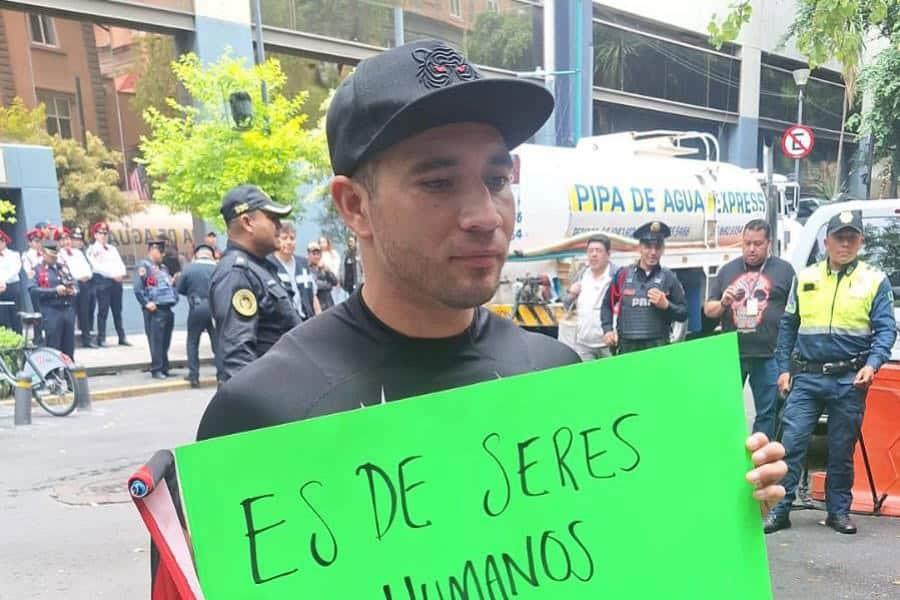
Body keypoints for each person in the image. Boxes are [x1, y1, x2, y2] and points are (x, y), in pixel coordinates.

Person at [195, 43, 785, 517]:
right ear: (354, 206)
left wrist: (713, 507)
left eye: (497, 179)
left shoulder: (557, 380)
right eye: (437, 183)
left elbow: (613, 556)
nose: (484, 215)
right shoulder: (260, 415)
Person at [765, 210, 896, 535]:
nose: (845, 243)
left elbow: (886, 330)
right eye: (840, 237)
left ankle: (838, 512)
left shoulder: (874, 280)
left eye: (852, 237)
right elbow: (788, 327)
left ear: (861, 242)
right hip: (806, 377)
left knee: (840, 449)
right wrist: (784, 369)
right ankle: (779, 509)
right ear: (827, 242)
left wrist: (872, 364)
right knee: (791, 444)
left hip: (849, 379)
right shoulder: (806, 277)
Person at [704, 220, 796, 440]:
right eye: (746, 244)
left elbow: (795, 312)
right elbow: (709, 310)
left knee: (767, 413)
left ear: (769, 244)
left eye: (757, 243)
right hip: (733, 354)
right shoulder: (728, 270)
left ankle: (759, 463)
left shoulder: (784, 271)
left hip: (769, 355)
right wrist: (724, 303)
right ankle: (727, 455)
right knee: (725, 409)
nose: (751, 249)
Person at [208, 184, 301, 382]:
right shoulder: (236, 273)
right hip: (269, 400)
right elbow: (237, 360)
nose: (279, 226)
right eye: (272, 218)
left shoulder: (260, 267)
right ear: (247, 222)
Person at [601, 221, 687, 354]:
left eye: (657, 247)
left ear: (663, 249)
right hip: (627, 346)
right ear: (639, 248)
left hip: (657, 347)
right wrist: (607, 330)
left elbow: (683, 313)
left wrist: (666, 305)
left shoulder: (669, 277)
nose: (653, 252)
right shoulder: (623, 275)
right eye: (648, 246)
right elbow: (607, 304)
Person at [563, 234, 616, 361]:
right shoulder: (582, 275)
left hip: (608, 344)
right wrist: (572, 294)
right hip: (583, 344)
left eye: (598, 251)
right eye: (590, 251)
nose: (594, 255)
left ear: (608, 254)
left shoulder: (616, 276)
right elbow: (566, 306)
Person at [134, 240, 179, 380]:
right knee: (156, 341)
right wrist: (146, 303)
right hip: (155, 310)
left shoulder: (163, 268)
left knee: (165, 341)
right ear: (153, 250)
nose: (163, 255)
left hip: (167, 307)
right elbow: (138, 288)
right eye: (161, 252)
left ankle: (164, 367)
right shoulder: (144, 266)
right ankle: (156, 369)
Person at [176, 244, 218, 387]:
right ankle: (221, 374)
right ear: (211, 255)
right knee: (217, 343)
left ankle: (194, 376)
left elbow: (180, 289)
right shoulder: (218, 268)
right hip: (215, 309)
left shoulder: (189, 268)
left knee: (192, 342)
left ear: (196, 255)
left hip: (196, 307)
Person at [27, 240, 77, 358]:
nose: (54, 258)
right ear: (43, 253)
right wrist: (54, 291)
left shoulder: (62, 268)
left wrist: (73, 290)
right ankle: (53, 374)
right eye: (51, 256)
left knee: (68, 348)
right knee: (53, 348)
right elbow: (33, 290)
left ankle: (67, 373)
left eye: (55, 256)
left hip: (67, 309)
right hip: (51, 311)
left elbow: (74, 282)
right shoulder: (37, 270)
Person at [87, 222, 130, 347]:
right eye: (101, 233)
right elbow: (97, 267)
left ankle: (122, 337)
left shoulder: (112, 249)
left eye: (106, 233)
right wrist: (113, 275)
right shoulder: (92, 249)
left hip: (116, 283)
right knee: (103, 311)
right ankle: (102, 338)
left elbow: (120, 264)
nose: (104, 236)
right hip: (103, 282)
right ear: (95, 235)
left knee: (117, 310)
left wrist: (121, 274)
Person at [268, 222, 319, 321]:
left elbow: (313, 296)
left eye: (292, 238)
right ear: (276, 239)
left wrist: (319, 318)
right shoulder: (269, 264)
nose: (289, 242)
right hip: (283, 324)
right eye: (284, 238)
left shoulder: (303, 263)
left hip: (307, 320)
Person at [57, 228, 96, 348]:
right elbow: (67, 271)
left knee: (84, 312)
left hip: (85, 284)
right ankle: (69, 340)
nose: (67, 242)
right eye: (63, 239)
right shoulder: (59, 255)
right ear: (59, 242)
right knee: (71, 313)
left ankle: (86, 339)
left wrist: (87, 276)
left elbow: (87, 267)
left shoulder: (78, 252)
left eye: (68, 239)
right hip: (72, 285)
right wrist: (78, 277)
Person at [0, 230, 22, 333]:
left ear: (5, 241)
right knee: (1, 316)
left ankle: (19, 340)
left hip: (12, 287)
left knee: (15, 316)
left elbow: (15, 270)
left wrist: (3, 280)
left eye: (1, 240)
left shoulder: (14, 255)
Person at [308, 240, 339, 311]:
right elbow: (315, 285)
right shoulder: (308, 269)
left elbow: (335, 281)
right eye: (314, 254)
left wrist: (327, 271)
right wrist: (328, 285)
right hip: (318, 304)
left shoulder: (324, 268)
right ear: (309, 255)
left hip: (329, 303)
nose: (316, 256)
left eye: (318, 254)